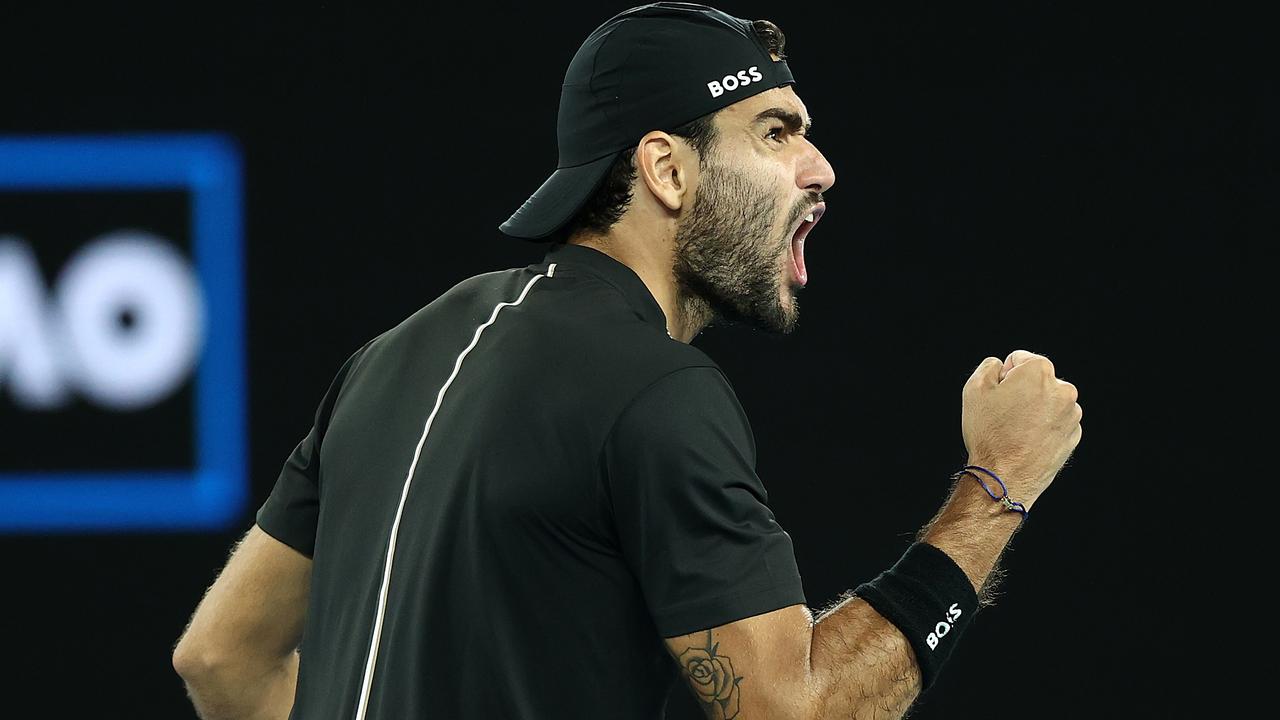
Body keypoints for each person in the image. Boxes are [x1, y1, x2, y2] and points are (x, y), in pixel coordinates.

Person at [172, 3, 1083, 719]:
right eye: (775, 131)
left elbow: (220, 658)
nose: (820, 167)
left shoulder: (391, 355)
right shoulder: (654, 390)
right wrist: (994, 487)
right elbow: (791, 712)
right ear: (668, 170)